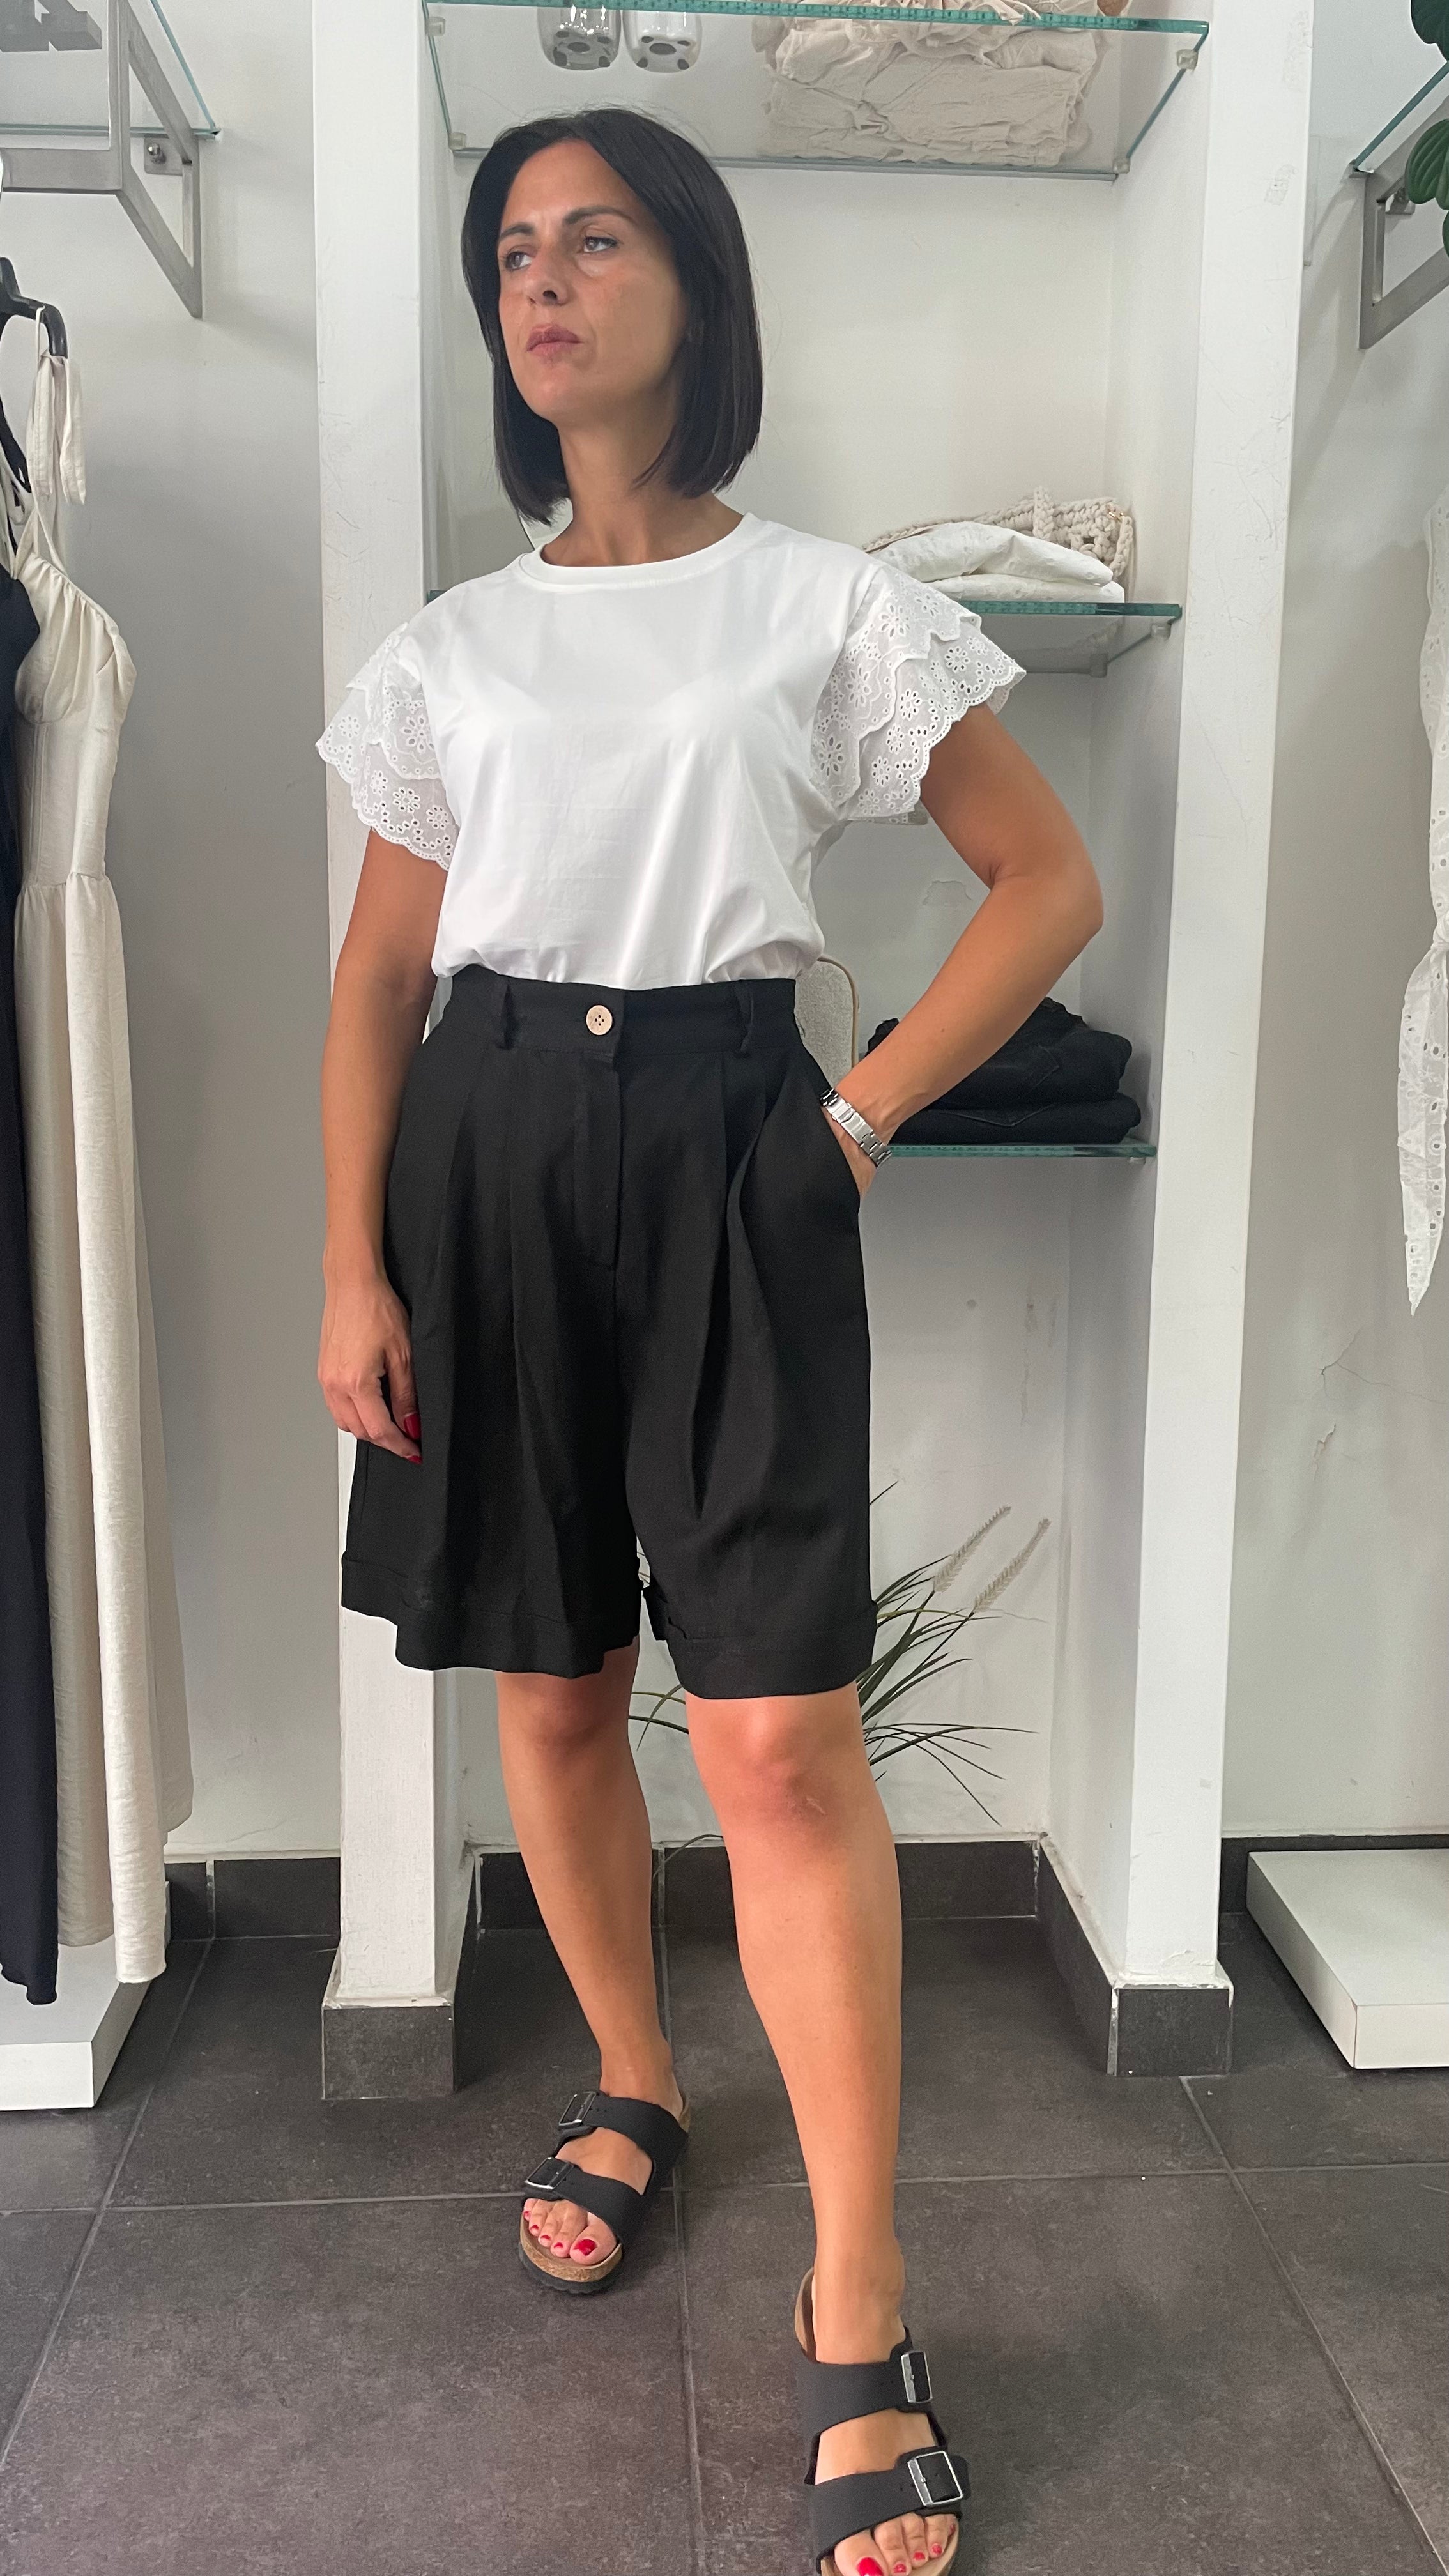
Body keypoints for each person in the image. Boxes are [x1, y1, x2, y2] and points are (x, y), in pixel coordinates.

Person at [315, 105, 1101, 2576]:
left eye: (596, 240)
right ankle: (639, 2080)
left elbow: (1042, 883)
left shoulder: (826, 607)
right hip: (482, 1154)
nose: (544, 284)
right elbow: (377, 974)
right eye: (512, 255)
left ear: (697, 288)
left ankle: (857, 2300)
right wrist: (349, 1262)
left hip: (734, 1136)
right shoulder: (452, 646)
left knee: (769, 1729)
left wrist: (850, 1119)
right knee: (551, 1686)